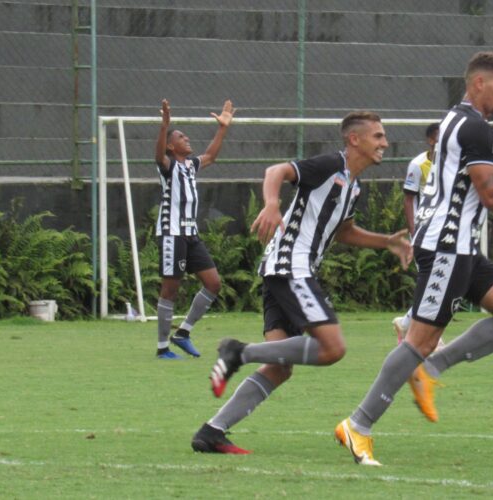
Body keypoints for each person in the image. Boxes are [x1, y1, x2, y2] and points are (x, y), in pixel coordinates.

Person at [334, 51, 493, 466]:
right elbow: (490, 196)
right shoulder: (476, 128)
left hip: (460, 245)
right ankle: (357, 426)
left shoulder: (457, 118)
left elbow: (476, 187)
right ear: (478, 84)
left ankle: (430, 370)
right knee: (418, 340)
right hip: (447, 246)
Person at [190, 111, 413, 454]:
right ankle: (238, 351)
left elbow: (344, 231)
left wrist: (387, 242)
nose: (385, 143)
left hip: (286, 269)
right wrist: (271, 203)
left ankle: (211, 432)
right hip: (291, 267)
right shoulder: (329, 165)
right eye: (378, 136)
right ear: (355, 139)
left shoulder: (353, 186)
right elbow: (275, 171)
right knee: (333, 348)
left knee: (279, 368)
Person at [153, 99, 234, 359]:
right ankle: (162, 347)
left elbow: (210, 155)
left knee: (213, 283)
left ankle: (183, 333)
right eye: (181, 137)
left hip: (191, 234)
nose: (187, 139)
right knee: (171, 289)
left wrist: (222, 128)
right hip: (171, 233)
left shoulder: (190, 166)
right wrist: (165, 126)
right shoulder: (168, 166)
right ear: (170, 145)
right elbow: (158, 156)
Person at [392, 122, 447, 423]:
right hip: (427, 234)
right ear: (430, 140)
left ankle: (408, 323)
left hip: (446, 233)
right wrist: (414, 232)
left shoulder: (453, 162)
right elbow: (409, 199)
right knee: (438, 283)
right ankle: (427, 338)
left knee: (440, 284)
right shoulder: (418, 165)